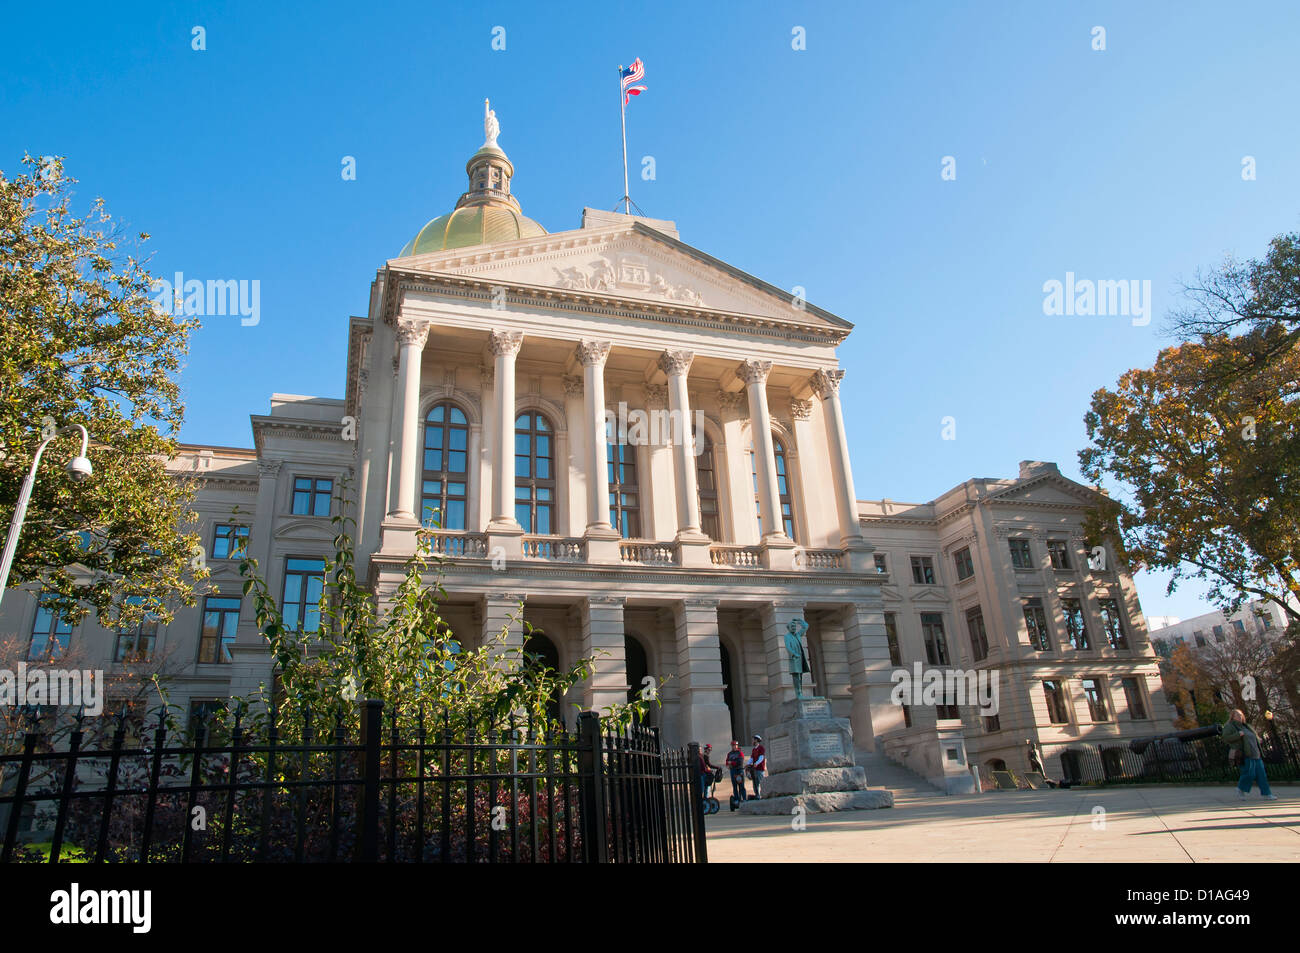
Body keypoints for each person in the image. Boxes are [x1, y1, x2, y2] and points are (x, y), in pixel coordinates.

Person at [1222, 709, 1278, 800]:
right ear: (1233, 717)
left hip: (1256, 753)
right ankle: (1240, 788)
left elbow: (1254, 736)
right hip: (1245, 754)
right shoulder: (1230, 726)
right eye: (1238, 715)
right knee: (1249, 774)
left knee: (1261, 775)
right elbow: (1225, 738)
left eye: (1241, 715)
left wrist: (1258, 739)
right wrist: (1237, 735)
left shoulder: (1247, 726)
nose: (1240, 717)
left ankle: (1267, 794)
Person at [749, 734, 766, 799]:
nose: (752, 741)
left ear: (756, 740)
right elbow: (752, 758)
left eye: (753, 739)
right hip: (754, 769)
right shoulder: (754, 749)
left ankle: (764, 794)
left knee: (762, 782)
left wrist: (756, 763)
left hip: (760, 769)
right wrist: (748, 763)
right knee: (755, 783)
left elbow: (761, 757)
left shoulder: (761, 748)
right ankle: (757, 795)